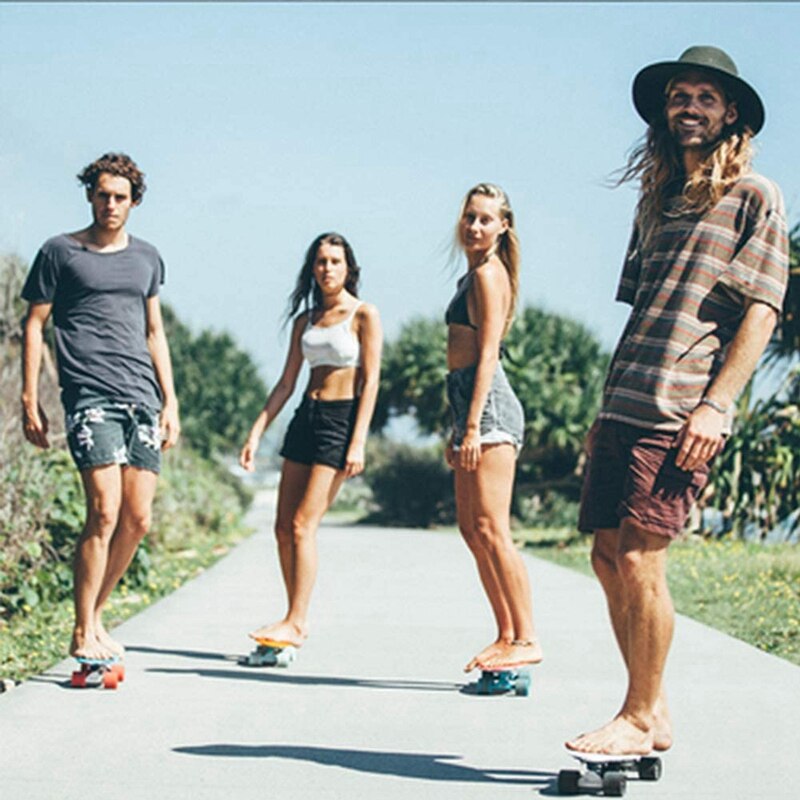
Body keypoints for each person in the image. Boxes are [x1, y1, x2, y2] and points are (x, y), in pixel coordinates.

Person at [568, 46, 789, 756]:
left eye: (704, 97)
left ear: (730, 115)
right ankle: (651, 708)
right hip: (626, 398)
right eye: (678, 97)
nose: (688, 107)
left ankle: (636, 716)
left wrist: (717, 406)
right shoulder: (657, 200)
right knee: (606, 557)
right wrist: (602, 415)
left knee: (641, 560)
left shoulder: (756, 195)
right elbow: (645, 313)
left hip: (682, 408)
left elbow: (761, 311)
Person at [21, 152, 180, 661]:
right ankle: (82, 628)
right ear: (90, 195)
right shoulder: (60, 252)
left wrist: (170, 400)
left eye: (120, 197)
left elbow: (155, 332)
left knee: (137, 519)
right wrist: (30, 396)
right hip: (89, 394)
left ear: (134, 202)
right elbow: (34, 325)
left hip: (141, 397)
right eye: (103, 194)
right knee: (105, 510)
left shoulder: (148, 257)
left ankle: (93, 617)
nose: (110, 204)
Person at [240, 232, 382, 647]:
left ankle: (297, 621)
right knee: (283, 527)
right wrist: (256, 431)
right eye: (321, 261)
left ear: (349, 268)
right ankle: (291, 615)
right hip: (305, 417)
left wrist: (358, 442)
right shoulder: (306, 320)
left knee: (304, 525)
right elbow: (286, 382)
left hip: (340, 421)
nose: (327, 269)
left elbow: (371, 381)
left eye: (335, 261)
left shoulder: (363, 315)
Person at [444, 183, 543, 673]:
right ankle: (505, 634)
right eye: (469, 217)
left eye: (485, 219)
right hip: (467, 403)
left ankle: (526, 636)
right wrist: (457, 422)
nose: (474, 226)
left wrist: (469, 426)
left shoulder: (488, 274)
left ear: (503, 226)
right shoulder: (473, 275)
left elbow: (487, 355)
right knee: (471, 528)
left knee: (492, 528)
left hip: (488, 410)